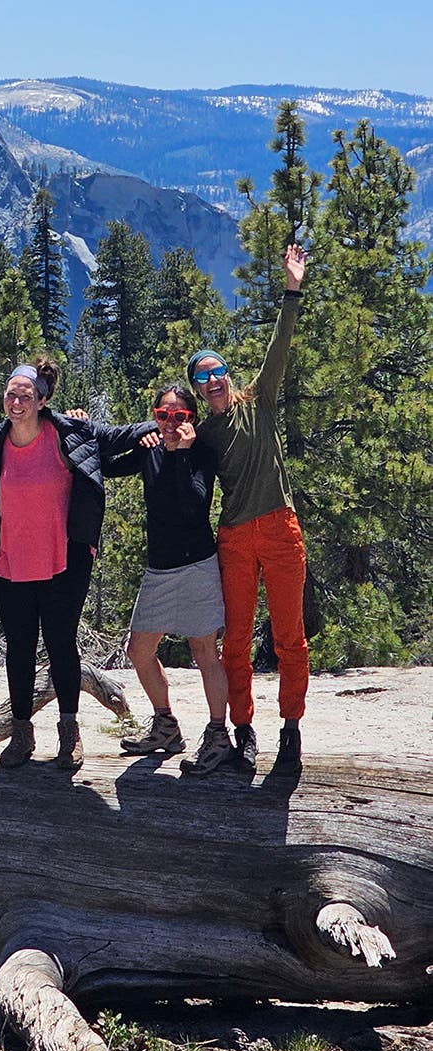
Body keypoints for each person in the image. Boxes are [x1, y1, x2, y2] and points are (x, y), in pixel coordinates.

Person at [0, 358, 154, 771]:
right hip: (10, 559)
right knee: (19, 650)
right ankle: (22, 734)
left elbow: (120, 437)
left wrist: (159, 428)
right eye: (11, 394)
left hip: (64, 558)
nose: (17, 401)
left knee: (62, 645)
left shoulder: (69, 433)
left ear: (42, 400)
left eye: (26, 395)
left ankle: (69, 731)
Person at [189, 242, 310, 771]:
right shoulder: (202, 436)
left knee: (290, 637)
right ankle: (242, 729)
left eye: (218, 372)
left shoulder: (259, 401)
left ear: (229, 377)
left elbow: (279, 347)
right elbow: (169, 449)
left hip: (280, 529)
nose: (213, 381)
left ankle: (290, 728)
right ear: (196, 389)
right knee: (235, 640)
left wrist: (291, 288)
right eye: (202, 377)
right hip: (235, 537)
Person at [106, 382, 232, 774]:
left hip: (196, 563)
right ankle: (165, 726)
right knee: (138, 650)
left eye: (179, 416)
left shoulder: (201, 454)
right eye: (163, 416)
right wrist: (85, 428)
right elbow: (105, 464)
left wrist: (179, 454)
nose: (171, 423)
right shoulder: (149, 451)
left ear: (191, 419)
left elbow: (195, 505)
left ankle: (217, 734)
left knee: (204, 652)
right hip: (159, 567)